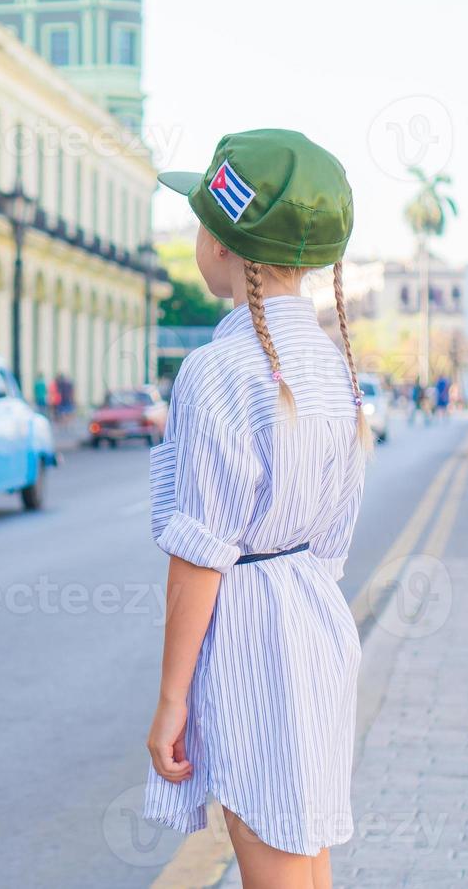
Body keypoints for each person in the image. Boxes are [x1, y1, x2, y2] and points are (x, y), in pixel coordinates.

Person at [144, 130, 370, 887]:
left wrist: (172, 699)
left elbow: (201, 553)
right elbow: (334, 543)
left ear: (221, 244)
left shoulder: (216, 371)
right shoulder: (338, 371)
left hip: (250, 634)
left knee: (270, 868)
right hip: (315, 619)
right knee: (303, 861)